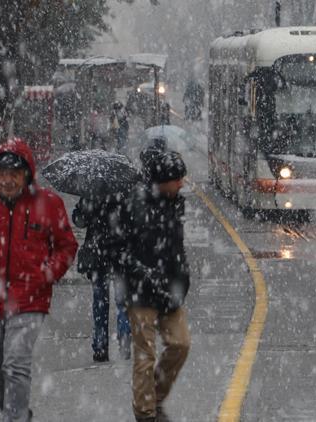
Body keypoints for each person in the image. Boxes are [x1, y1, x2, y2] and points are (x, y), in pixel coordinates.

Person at [0, 138, 78, 422]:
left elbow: (66, 245)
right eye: (2, 174)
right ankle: (17, 410)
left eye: (14, 174)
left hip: (30, 299)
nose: (7, 180)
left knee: (16, 365)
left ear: (26, 174)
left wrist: (47, 274)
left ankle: (15, 418)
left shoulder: (48, 203)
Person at [120, 148, 190, 422]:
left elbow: (176, 248)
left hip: (170, 290)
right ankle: (146, 413)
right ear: (163, 181)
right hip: (141, 292)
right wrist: (138, 269)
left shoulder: (175, 203)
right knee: (145, 355)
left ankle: (156, 397)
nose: (182, 184)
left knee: (180, 344)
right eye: (177, 179)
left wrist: (181, 280)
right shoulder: (134, 205)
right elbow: (117, 247)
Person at [72, 191, 132, 362]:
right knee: (122, 302)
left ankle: (100, 346)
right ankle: (124, 341)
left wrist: (82, 212)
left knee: (100, 302)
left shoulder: (91, 192)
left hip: (98, 253)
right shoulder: (125, 191)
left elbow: (80, 220)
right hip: (121, 253)